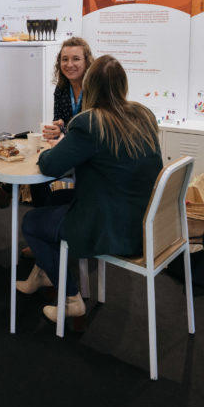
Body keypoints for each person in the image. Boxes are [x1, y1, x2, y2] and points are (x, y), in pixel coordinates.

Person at [16, 55, 163, 323]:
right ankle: (43, 272)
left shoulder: (90, 123)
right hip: (144, 222)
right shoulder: (143, 115)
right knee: (55, 199)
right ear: (123, 84)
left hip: (110, 226)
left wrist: (48, 150)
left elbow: (50, 165)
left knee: (32, 222)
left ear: (89, 86)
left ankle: (71, 299)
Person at [0, 37, 95, 211]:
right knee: (34, 159)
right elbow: (61, 123)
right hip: (68, 145)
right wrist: (58, 128)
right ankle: (41, 214)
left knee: (41, 165)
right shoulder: (61, 89)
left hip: (86, 152)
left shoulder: (94, 90)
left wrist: (64, 132)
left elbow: (93, 128)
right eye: (64, 59)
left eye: (76, 59)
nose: (69, 64)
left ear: (87, 62)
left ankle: (5, 194)